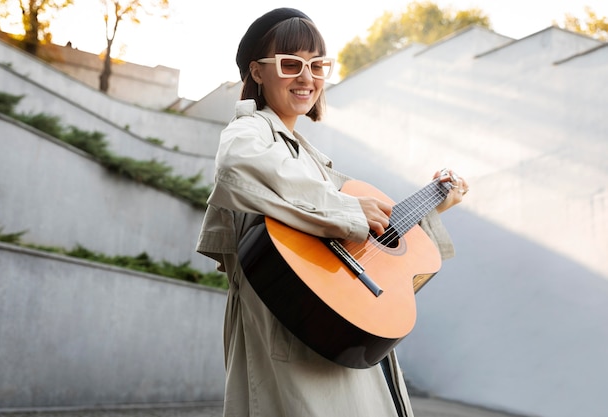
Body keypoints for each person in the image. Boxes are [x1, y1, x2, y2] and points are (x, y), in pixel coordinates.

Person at [196, 8, 468, 417]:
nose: (307, 78)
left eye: (317, 65)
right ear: (257, 71)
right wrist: (347, 209)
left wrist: (434, 203)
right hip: (293, 337)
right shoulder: (250, 129)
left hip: (333, 332)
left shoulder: (309, 156)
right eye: (290, 64)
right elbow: (236, 165)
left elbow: (366, 239)